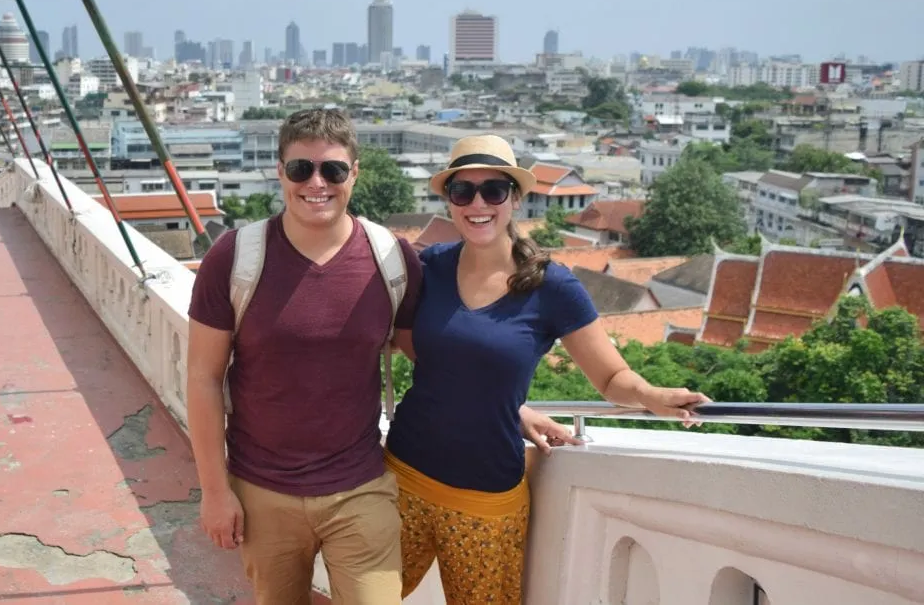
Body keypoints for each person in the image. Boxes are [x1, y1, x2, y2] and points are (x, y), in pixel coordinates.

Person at [384, 134, 710, 604]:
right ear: (450, 202)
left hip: (486, 499)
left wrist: (650, 395)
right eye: (463, 191)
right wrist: (511, 408)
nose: (479, 204)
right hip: (403, 476)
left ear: (515, 199)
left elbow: (610, 378)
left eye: (494, 190)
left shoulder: (550, 286)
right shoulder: (427, 268)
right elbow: (422, 354)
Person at [186, 108, 424, 604]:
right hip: (261, 488)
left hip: (359, 484)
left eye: (333, 170)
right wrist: (214, 490)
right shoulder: (234, 257)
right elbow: (203, 378)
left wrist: (511, 406)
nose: (317, 183)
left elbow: (428, 356)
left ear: (354, 173)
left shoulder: (392, 258)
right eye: (301, 169)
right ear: (280, 172)